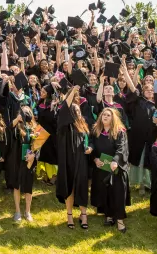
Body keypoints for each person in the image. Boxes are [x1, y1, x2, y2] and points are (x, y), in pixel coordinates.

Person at [54, 86, 92, 229]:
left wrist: (90, 148)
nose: (75, 111)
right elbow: (64, 107)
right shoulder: (64, 125)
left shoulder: (84, 125)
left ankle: (83, 215)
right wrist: (74, 89)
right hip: (67, 160)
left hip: (82, 160)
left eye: (77, 110)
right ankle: (69, 215)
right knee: (69, 186)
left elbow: (90, 140)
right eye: (72, 110)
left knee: (82, 186)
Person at [90, 107, 130, 232]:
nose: (105, 117)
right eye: (104, 115)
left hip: (116, 167)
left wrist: (115, 161)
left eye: (108, 115)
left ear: (113, 118)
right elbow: (92, 147)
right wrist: (95, 159)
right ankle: (108, 215)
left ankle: (119, 219)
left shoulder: (119, 131)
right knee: (104, 191)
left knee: (117, 193)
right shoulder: (96, 131)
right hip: (102, 166)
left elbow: (121, 148)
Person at [8, 106, 39, 222]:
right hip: (16, 160)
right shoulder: (17, 126)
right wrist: (17, 119)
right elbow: (8, 129)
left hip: (29, 160)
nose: (25, 114)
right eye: (22, 112)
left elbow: (38, 145)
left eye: (27, 112)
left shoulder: (35, 128)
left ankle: (27, 211)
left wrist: (33, 155)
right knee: (17, 186)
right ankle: (17, 211)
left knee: (28, 187)